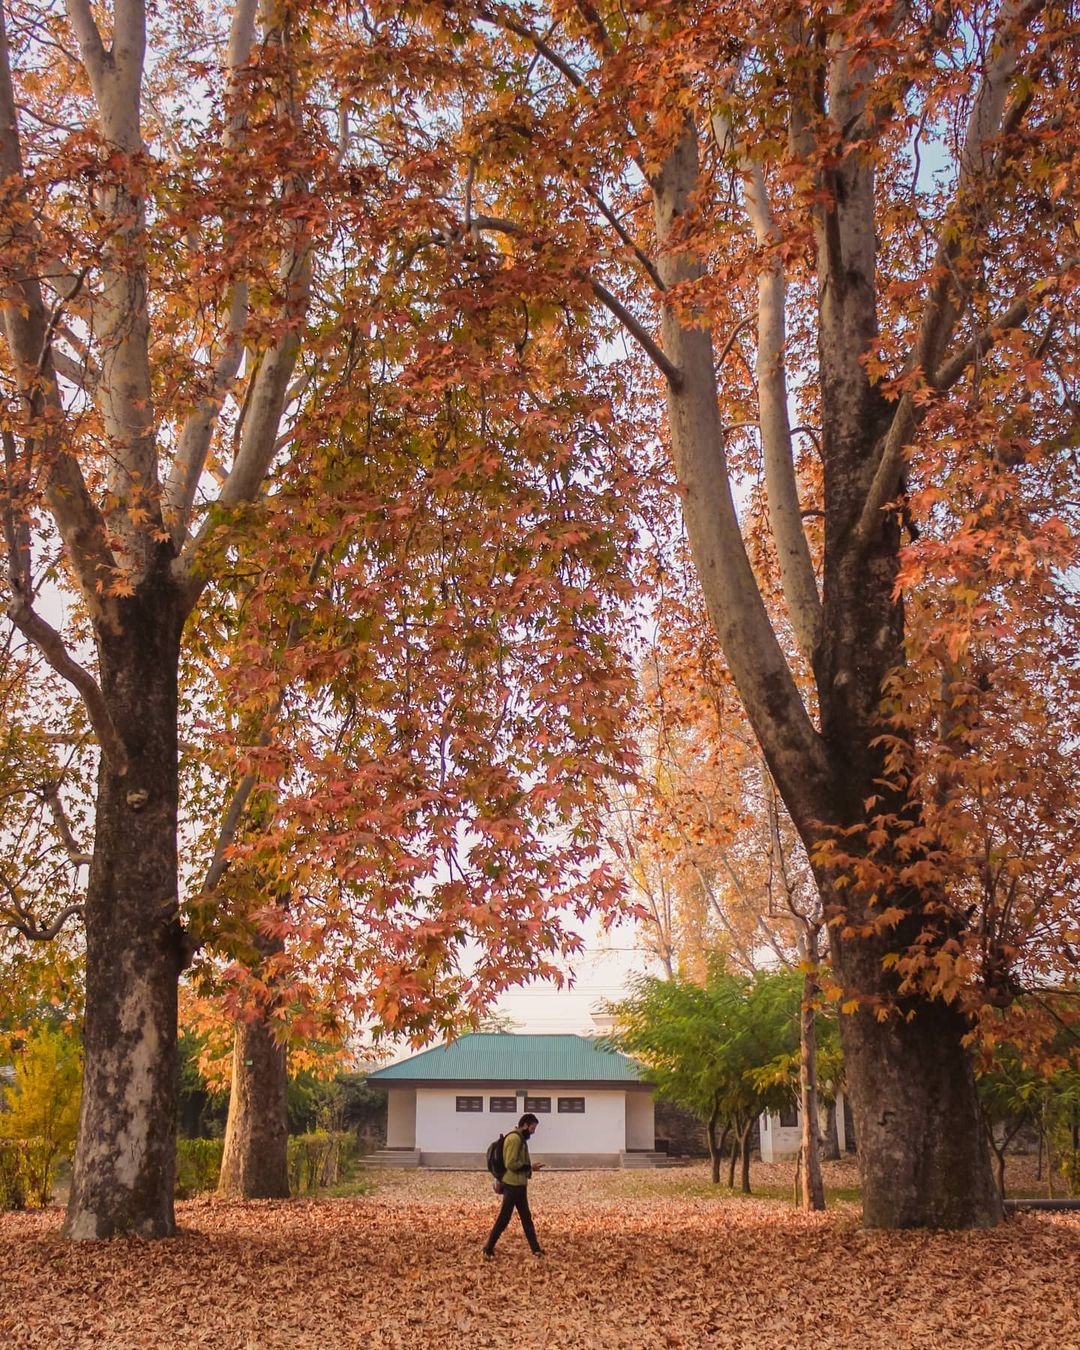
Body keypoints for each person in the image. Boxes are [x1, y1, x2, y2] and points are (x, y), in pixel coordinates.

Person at [483, 1112, 545, 1258]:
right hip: (512, 1185)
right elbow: (511, 1163)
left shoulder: (519, 1139)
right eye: (532, 1128)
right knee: (504, 1219)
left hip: (519, 1185)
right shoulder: (514, 1139)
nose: (533, 1132)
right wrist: (530, 1168)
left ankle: (536, 1250)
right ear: (525, 1125)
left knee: (526, 1219)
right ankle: (488, 1248)